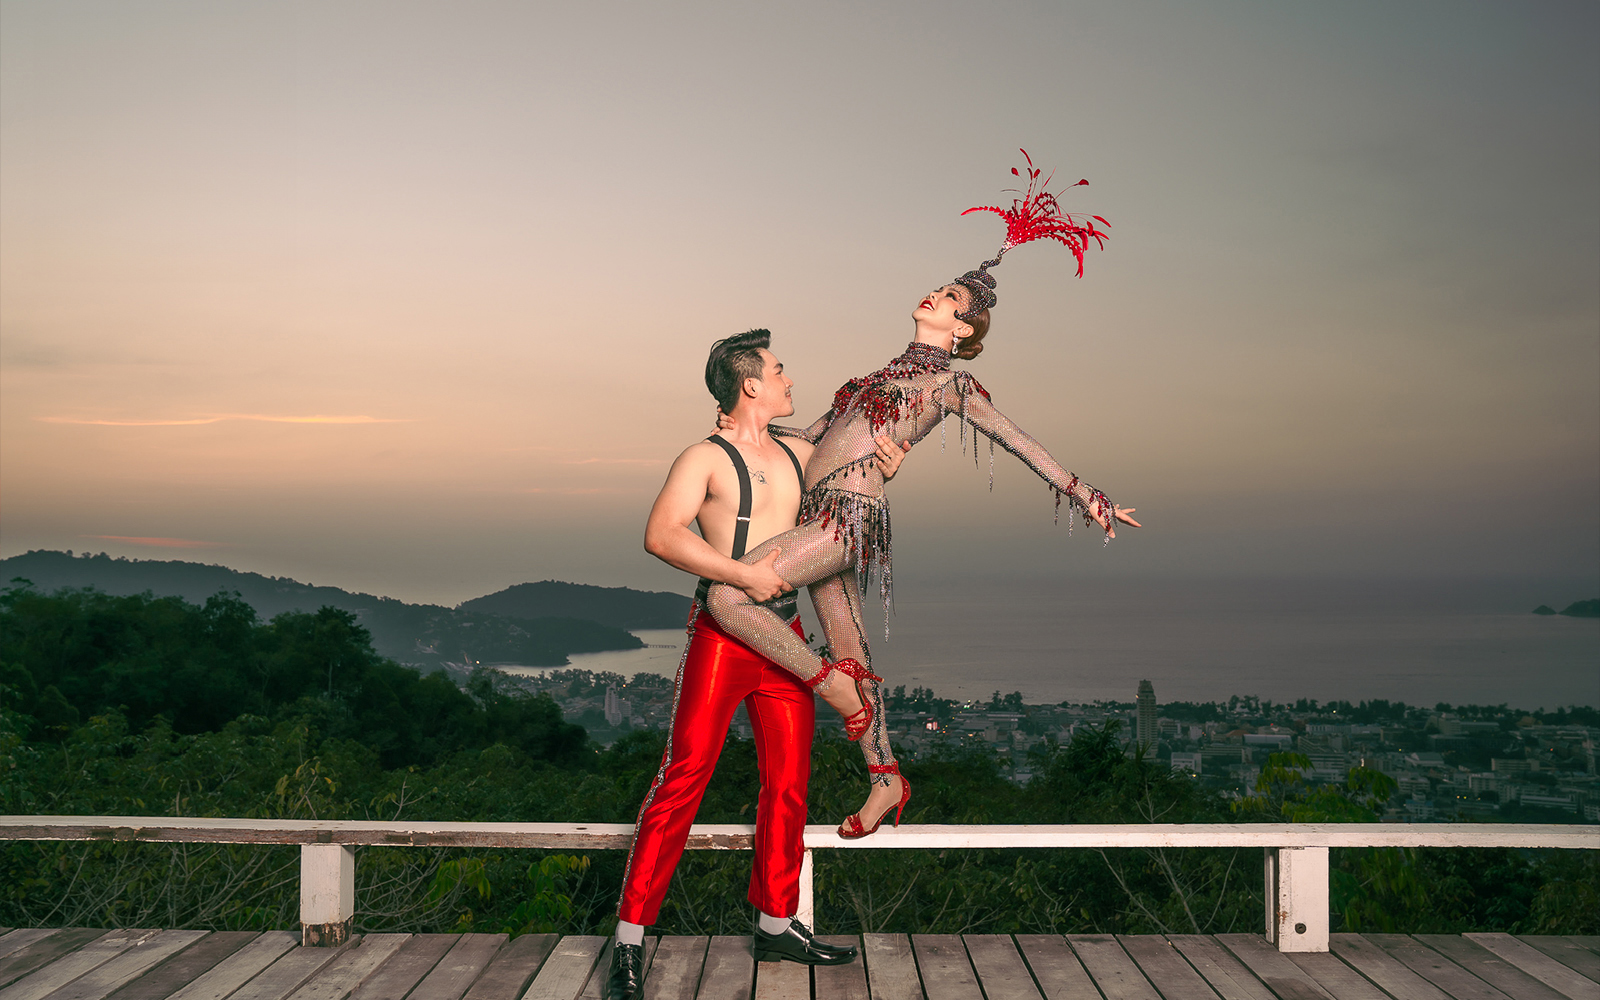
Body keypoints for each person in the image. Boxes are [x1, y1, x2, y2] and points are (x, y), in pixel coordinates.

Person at [704, 154, 1141, 842]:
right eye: (939, 289)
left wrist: (1088, 494)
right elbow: (816, 438)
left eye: (949, 300)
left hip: (845, 521)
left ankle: (829, 690)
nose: (935, 296)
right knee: (856, 657)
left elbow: (1020, 441)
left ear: (962, 331)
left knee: (727, 596)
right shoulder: (875, 377)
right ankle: (886, 778)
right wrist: (745, 420)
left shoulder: (950, 388)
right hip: (823, 516)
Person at [603, 330, 912, 1000]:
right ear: (750, 386)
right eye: (778, 370)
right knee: (681, 778)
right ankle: (629, 941)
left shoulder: (800, 449)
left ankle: (776, 921)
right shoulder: (702, 458)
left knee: (788, 784)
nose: (789, 379)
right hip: (721, 634)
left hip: (786, 636)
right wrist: (739, 573)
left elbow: (855, 466)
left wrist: (889, 458)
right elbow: (662, 535)